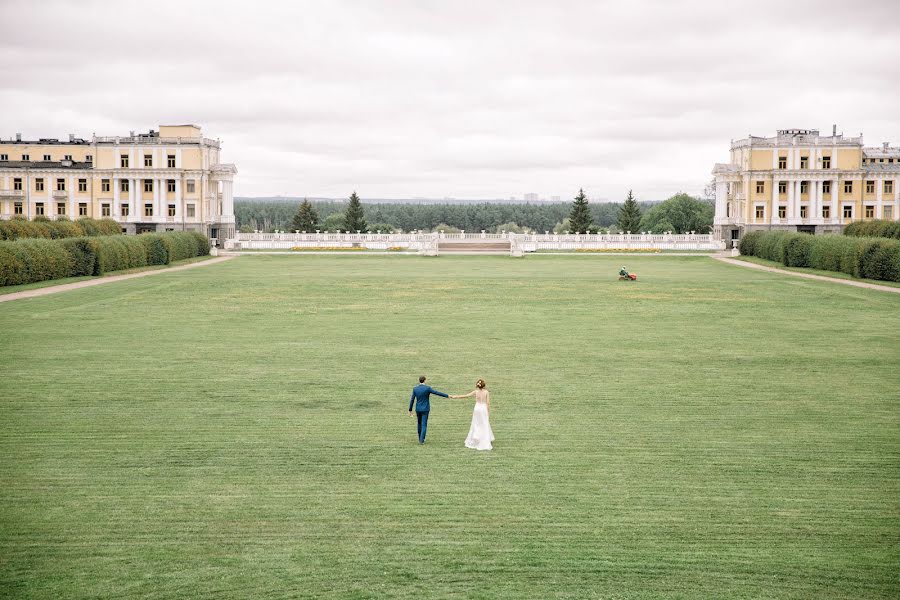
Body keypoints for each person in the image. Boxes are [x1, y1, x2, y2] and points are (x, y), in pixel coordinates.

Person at [451, 379, 494, 451]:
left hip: (477, 408)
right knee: (484, 423)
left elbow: (466, 395)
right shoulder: (486, 392)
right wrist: (488, 412)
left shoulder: (476, 392)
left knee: (476, 424)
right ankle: (484, 439)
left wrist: (455, 396)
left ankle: (476, 437)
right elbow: (488, 403)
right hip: (483, 408)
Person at [408, 375, 449, 444]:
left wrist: (410, 409)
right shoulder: (427, 388)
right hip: (425, 409)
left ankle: (419, 438)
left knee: (419, 423)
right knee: (424, 424)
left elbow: (412, 399)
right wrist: (447, 396)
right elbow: (437, 393)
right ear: (425, 380)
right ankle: (422, 440)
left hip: (418, 408)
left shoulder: (415, 389)